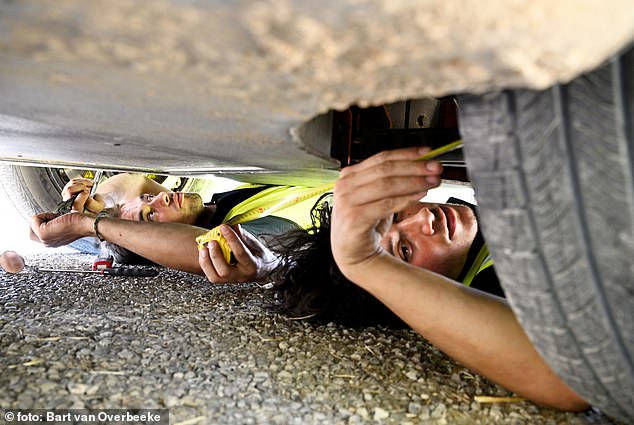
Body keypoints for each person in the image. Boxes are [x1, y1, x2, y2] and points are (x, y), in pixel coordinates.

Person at [200, 146, 588, 412]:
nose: (424, 220)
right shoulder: (497, 286)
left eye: (397, 216)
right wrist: (365, 263)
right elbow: (570, 374)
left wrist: (272, 268)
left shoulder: (500, 213)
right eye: (405, 250)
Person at [29, 174, 312, 283]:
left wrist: (95, 202)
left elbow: (133, 184)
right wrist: (87, 225)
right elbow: (207, 249)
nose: (161, 198)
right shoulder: (244, 226)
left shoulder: (226, 200)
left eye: (150, 200)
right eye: (151, 216)